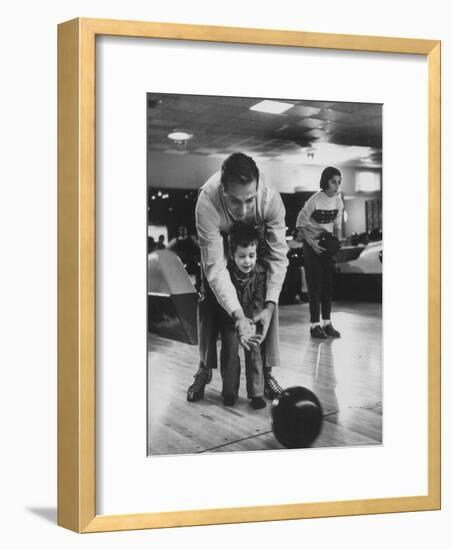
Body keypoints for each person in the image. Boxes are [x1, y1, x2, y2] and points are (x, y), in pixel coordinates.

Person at [187, 152, 289, 402]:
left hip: (252, 247)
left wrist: (269, 305)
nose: (242, 210)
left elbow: (278, 257)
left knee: (268, 301)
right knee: (208, 299)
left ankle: (267, 375)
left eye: (249, 201)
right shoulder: (207, 202)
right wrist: (238, 316)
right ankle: (204, 369)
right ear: (222, 190)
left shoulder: (270, 199)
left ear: (258, 189)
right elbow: (215, 269)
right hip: (222, 252)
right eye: (235, 201)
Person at [219, 222, 267, 409]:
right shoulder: (226, 273)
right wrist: (237, 320)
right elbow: (224, 298)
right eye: (242, 256)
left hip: (251, 321)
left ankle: (256, 393)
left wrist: (252, 322)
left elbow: (259, 300)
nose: (247, 261)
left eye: (251, 256)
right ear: (232, 256)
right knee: (230, 354)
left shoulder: (260, 273)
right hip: (230, 321)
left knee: (254, 351)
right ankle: (229, 393)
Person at [296, 166, 344, 339]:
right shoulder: (314, 200)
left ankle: (327, 323)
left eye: (339, 182)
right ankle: (314, 325)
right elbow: (300, 223)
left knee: (328, 286)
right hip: (311, 245)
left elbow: (337, 226)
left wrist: (336, 245)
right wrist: (312, 245)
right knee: (315, 286)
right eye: (333, 182)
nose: (337, 185)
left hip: (326, 244)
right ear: (326, 182)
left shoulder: (338, 202)